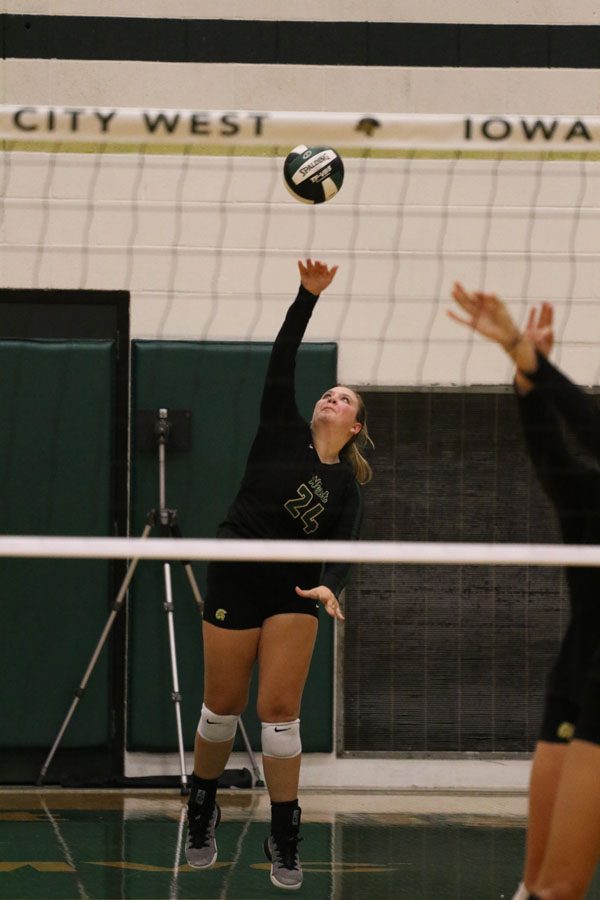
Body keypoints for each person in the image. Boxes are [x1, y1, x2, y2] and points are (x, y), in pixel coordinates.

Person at [185, 258, 373, 891]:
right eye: (330, 392)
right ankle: (202, 803)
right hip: (236, 573)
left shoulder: (345, 482)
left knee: (279, 709)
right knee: (221, 707)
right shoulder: (276, 430)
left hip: (293, 591)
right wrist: (306, 296)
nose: (331, 397)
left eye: (345, 399)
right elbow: (283, 358)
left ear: (355, 426)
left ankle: (285, 831)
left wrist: (331, 586)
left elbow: (346, 545)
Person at [449, 284, 600, 900]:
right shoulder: (589, 498)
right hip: (578, 666)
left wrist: (526, 353)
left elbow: (591, 428)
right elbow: (552, 454)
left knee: (560, 887)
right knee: (535, 888)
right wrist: (525, 377)